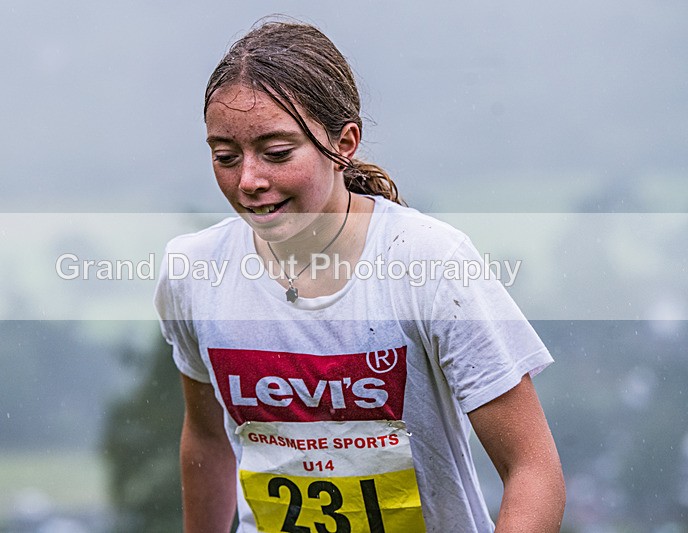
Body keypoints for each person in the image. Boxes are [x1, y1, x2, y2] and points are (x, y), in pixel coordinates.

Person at [155, 19, 565, 533]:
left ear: (344, 142)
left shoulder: (430, 264)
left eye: (277, 153)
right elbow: (208, 439)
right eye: (225, 157)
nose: (249, 180)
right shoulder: (193, 273)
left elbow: (532, 468)